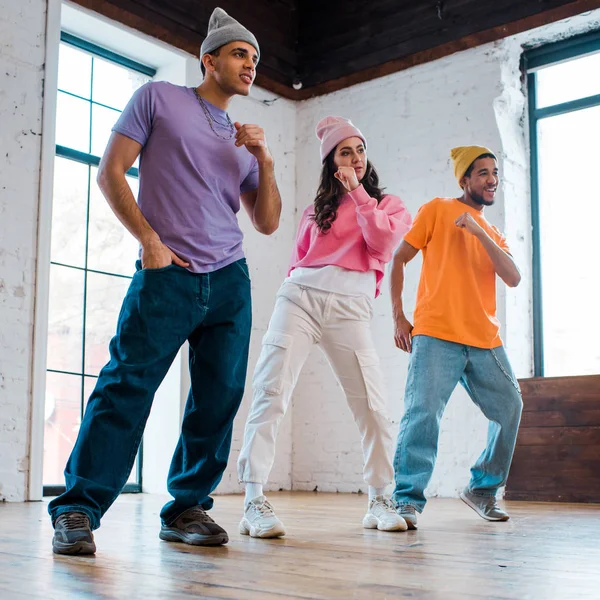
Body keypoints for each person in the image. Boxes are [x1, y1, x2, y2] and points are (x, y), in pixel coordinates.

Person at [49, 7, 281, 555]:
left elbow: (267, 221)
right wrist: (150, 243)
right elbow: (110, 172)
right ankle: (79, 507)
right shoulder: (159, 98)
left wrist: (264, 156)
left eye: (255, 58)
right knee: (127, 385)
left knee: (219, 396)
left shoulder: (240, 137)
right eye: (240, 54)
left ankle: (186, 507)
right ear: (210, 59)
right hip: (167, 272)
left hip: (229, 278)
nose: (250, 65)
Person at [236, 116, 413, 538]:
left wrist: (357, 192)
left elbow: (384, 246)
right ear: (331, 161)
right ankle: (253, 501)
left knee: (372, 405)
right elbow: (299, 258)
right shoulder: (316, 210)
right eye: (344, 151)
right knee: (271, 391)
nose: (355, 157)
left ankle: (379, 497)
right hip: (299, 298)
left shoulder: (389, 206)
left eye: (360, 149)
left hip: (351, 309)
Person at [390, 145, 523, 529]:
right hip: (436, 334)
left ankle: (482, 489)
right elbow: (399, 258)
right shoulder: (436, 209)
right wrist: (400, 317)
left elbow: (513, 278)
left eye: (494, 172)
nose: (491, 178)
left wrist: (480, 230)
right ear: (464, 179)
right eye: (481, 172)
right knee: (422, 415)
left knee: (510, 406)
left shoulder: (492, 232)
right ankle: (407, 502)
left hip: (484, 339)